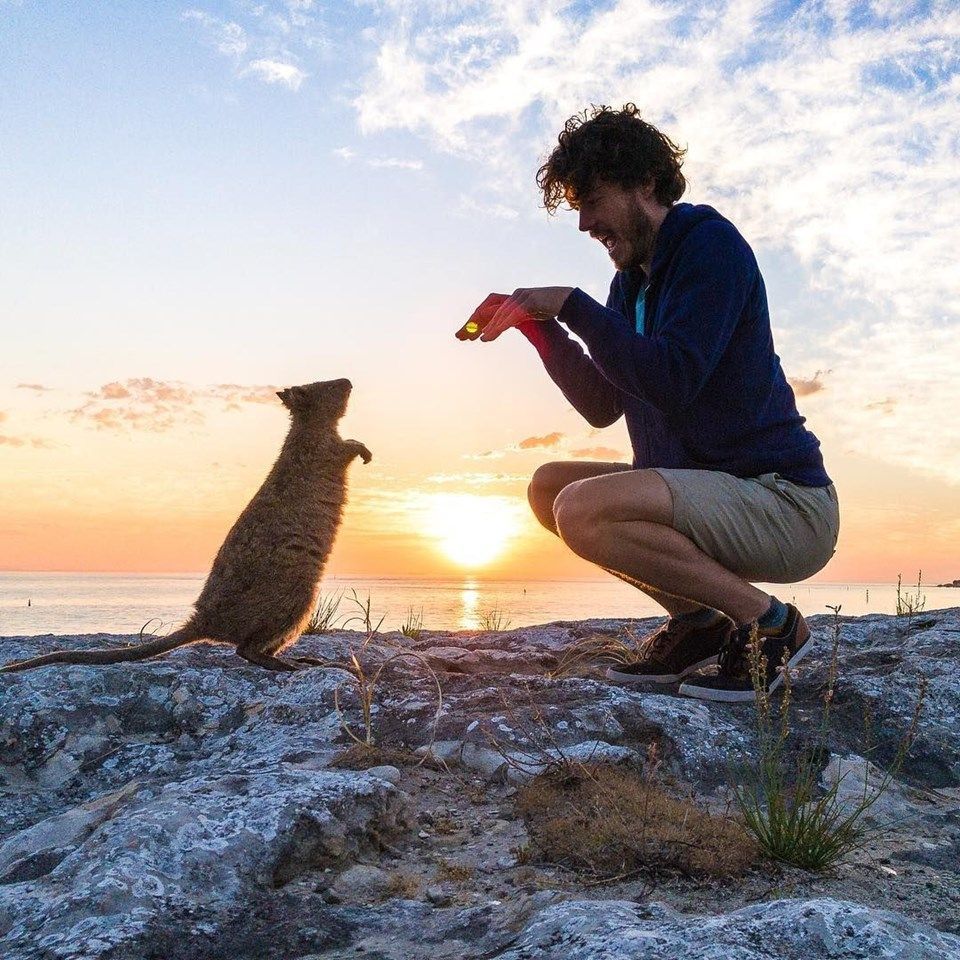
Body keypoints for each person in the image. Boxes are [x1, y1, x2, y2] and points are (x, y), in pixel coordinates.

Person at [456, 103, 839, 703]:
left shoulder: (709, 246)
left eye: (592, 200)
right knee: (548, 488)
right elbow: (603, 404)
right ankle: (699, 624)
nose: (584, 223)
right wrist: (541, 328)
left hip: (783, 501)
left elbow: (672, 379)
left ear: (646, 184)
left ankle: (768, 625)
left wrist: (575, 307)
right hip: (714, 487)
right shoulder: (630, 282)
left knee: (582, 510)